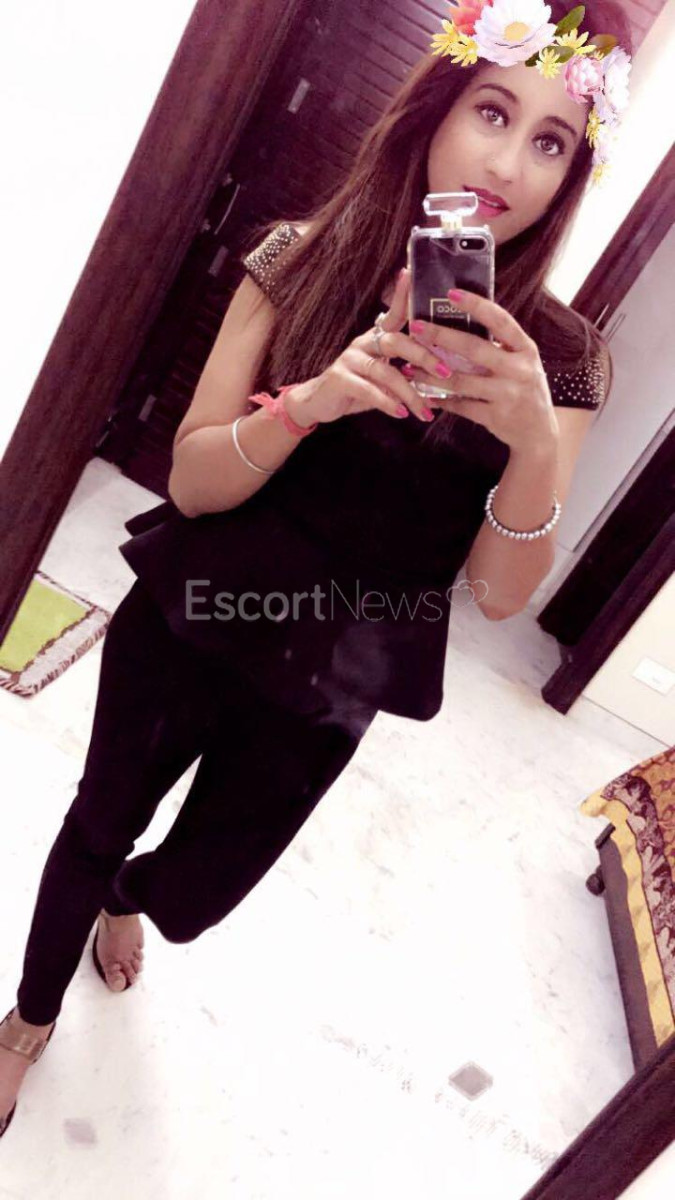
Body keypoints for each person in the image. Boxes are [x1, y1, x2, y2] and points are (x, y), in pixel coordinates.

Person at [0, 0, 632, 1139]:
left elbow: (497, 596)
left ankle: (127, 898)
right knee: (99, 819)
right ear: (437, 111)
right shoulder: (298, 257)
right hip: (194, 613)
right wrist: (315, 401)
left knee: (196, 894)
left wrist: (536, 443)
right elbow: (194, 483)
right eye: (493, 111)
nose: (508, 164)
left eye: (550, 140)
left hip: (340, 675)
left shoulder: (565, 361)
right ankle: (25, 1024)